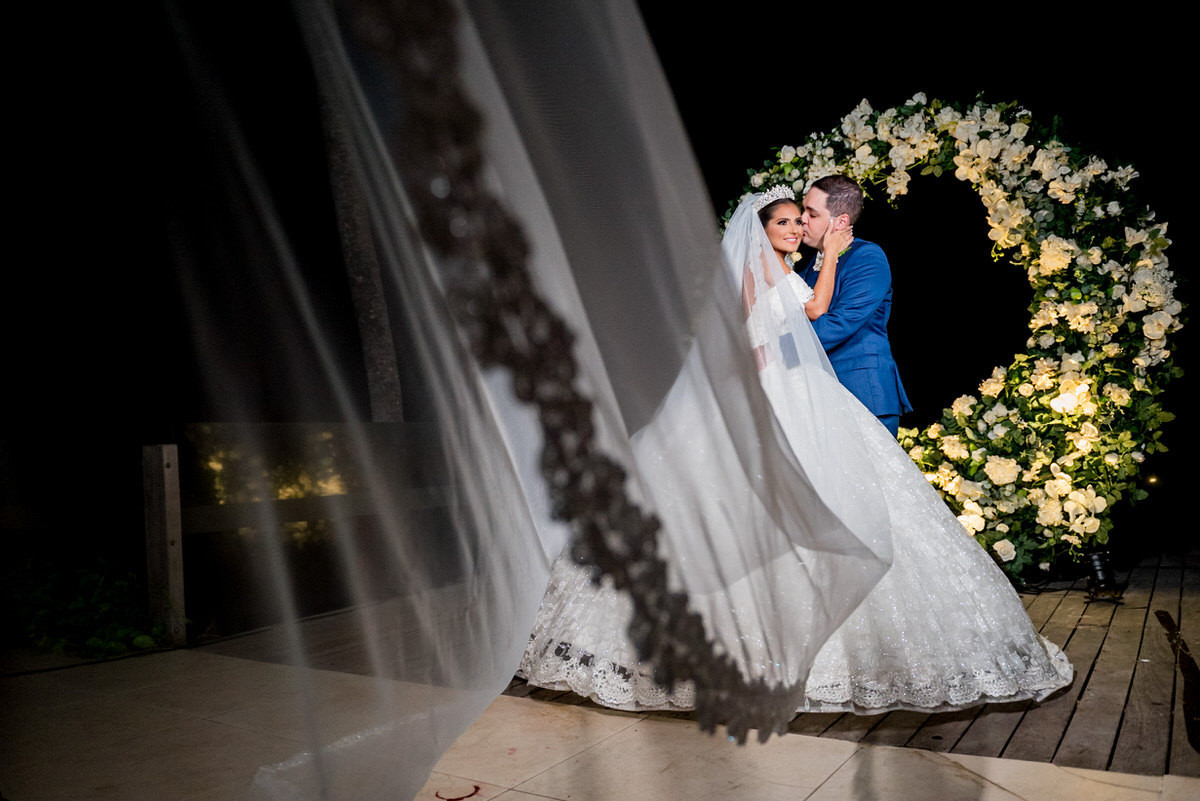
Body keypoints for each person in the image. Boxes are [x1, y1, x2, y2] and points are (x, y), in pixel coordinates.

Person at [518, 186, 1073, 714]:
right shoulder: (767, 270)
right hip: (777, 387)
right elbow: (764, 326)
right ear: (760, 233)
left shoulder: (832, 263)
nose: (797, 226)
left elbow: (818, 314)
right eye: (786, 220)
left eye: (802, 216)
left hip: (810, 388)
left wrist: (821, 268)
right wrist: (764, 353)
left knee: (848, 495)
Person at [797, 175, 912, 436]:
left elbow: (841, 322)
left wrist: (781, 347)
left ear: (841, 222)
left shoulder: (867, 257)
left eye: (812, 214)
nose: (802, 219)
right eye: (803, 210)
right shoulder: (804, 269)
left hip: (864, 393)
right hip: (820, 399)